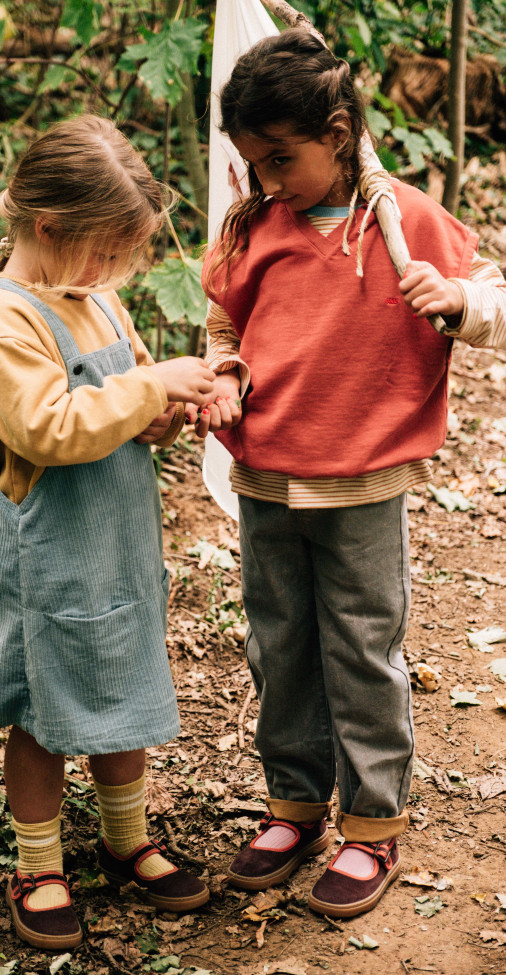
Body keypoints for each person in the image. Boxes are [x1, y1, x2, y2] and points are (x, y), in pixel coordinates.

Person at [191, 28, 506, 919]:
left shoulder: (409, 222)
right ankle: (293, 804)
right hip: (266, 481)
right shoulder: (255, 225)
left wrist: (461, 302)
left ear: (338, 131)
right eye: (253, 163)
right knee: (279, 644)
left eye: (281, 159)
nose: (267, 180)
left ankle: (372, 825)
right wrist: (224, 375)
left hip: (360, 486)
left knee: (363, 651)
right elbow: (222, 327)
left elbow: (498, 300)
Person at [0, 115, 215, 951]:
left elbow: (129, 400)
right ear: (50, 229)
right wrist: (147, 391)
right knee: (42, 703)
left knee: (120, 680)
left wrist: (169, 410)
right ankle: (38, 861)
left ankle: (125, 837)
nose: (111, 272)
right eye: (104, 251)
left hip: (113, 549)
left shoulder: (93, 295)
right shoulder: (9, 319)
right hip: (47, 559)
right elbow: (47, 428)